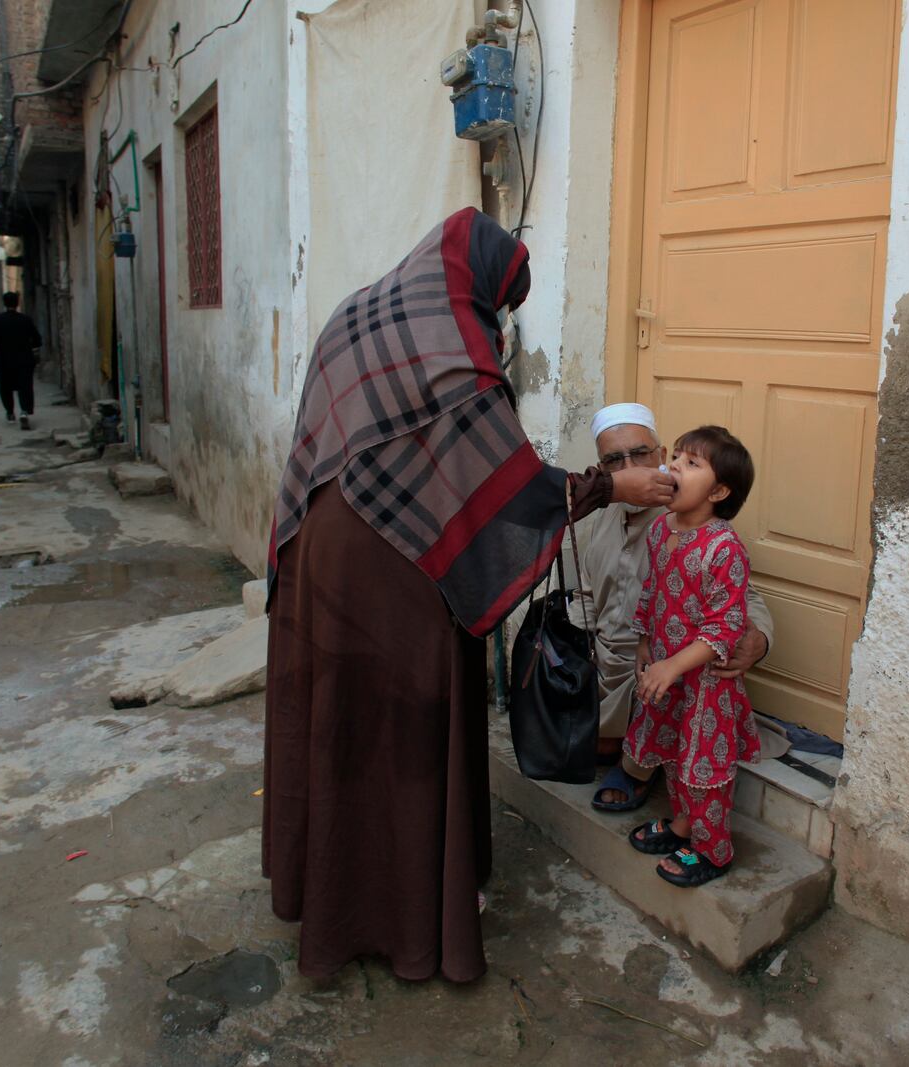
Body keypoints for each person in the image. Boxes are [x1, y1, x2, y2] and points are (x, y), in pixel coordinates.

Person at [262, 207, 674, 983]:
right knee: (410, 729)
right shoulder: (455, 343)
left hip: (321, 547)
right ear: (479, 284)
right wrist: (610, 484)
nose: (499, 321)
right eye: (501, 304)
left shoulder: (357, 314)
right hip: (399, 559)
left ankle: (334, 900)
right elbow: (508, 488)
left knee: (340, 722)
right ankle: (412, 919)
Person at [575, 403, 774, 812]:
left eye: (641, 454)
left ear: (661, 457)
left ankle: (638, 770)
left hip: (665, 669)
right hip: (608, 662)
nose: (631, 467)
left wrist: (760, 639)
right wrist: (579, 653)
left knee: (662, 712)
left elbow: (742, 599)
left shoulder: (693, 523)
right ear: (602, 470)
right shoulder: (597, 519)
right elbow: (583, 594)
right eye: (615, 461)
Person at [623, 426, 762, 887]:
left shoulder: (724, 549)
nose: (675, 466)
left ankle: (712, 848)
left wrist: (674, 665)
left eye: (692, 463)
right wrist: (646, 646)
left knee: (703, 768)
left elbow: (725, 625)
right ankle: (683, 825)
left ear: (719, 491)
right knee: (671, 756)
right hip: (667, 673)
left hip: (705, 683)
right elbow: (652, 591)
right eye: (677, 457)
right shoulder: (661, 530)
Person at [0, 292, 42, 430]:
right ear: (17, 303)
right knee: (25, 386)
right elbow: (37, 340)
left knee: (5, 386)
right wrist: (32, 349)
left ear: (4, 303)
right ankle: (24, 411)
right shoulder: (26, 320)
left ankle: (10, 412)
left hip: (5, 359)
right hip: (24, 358)